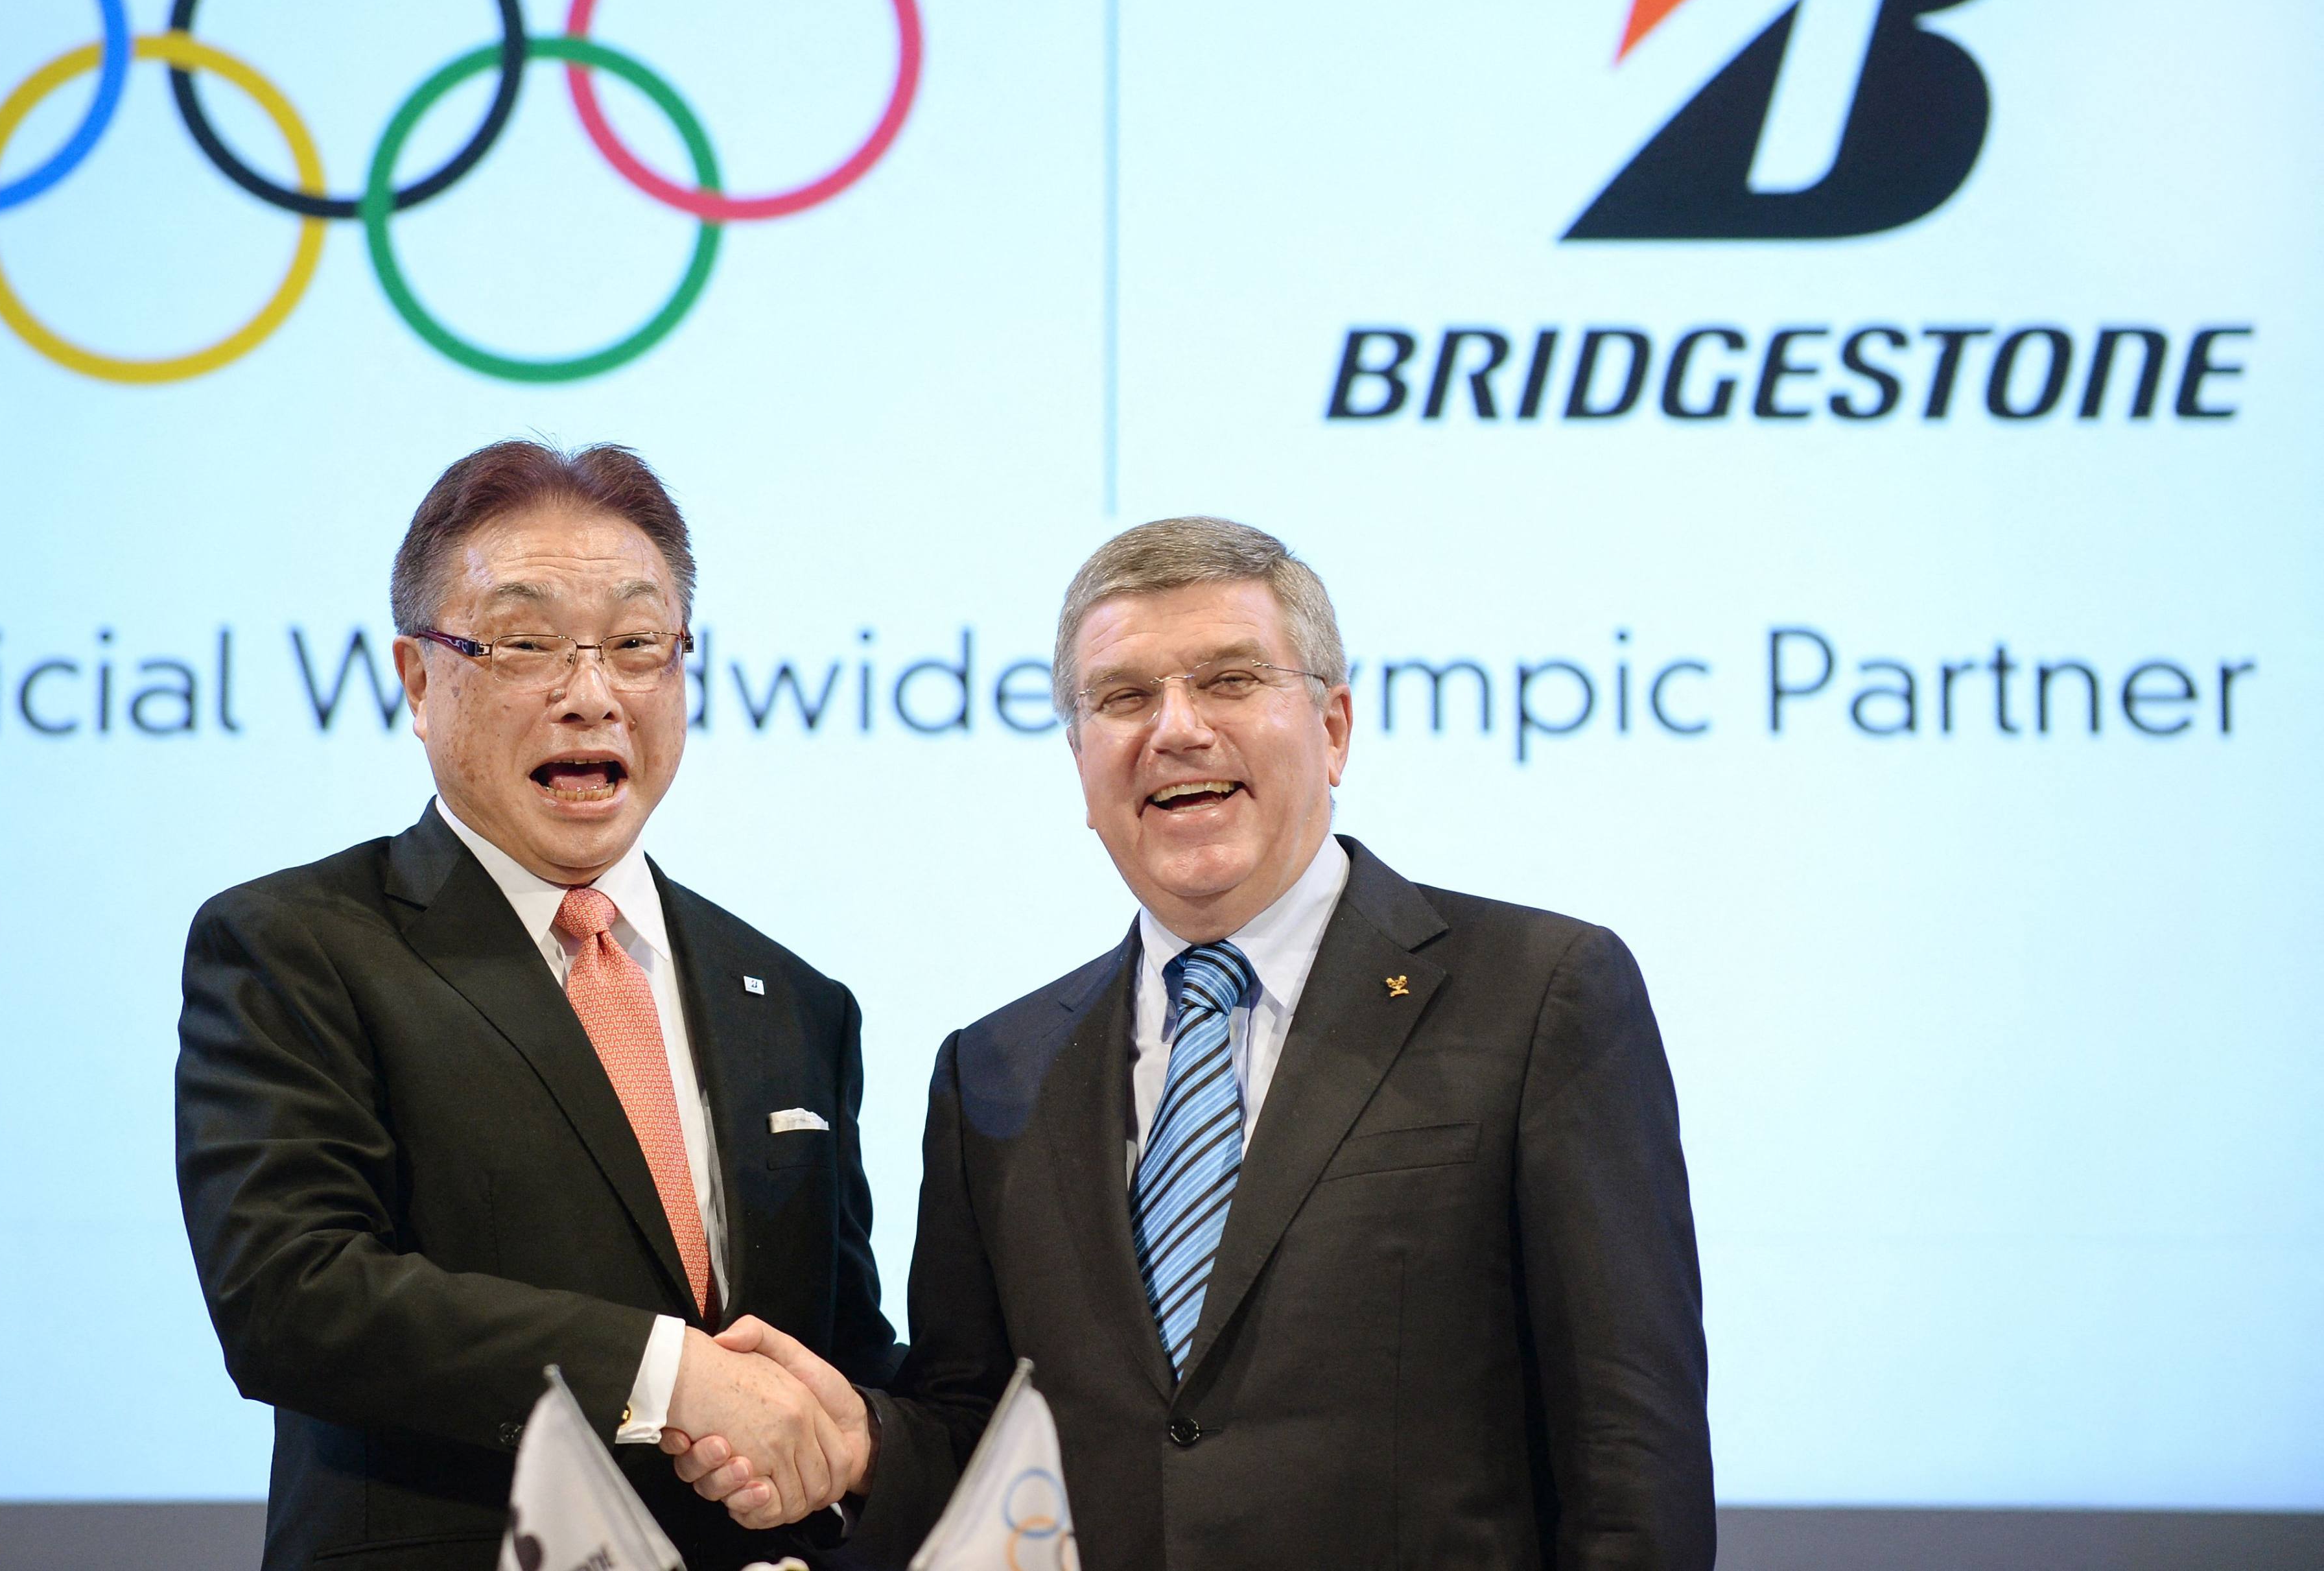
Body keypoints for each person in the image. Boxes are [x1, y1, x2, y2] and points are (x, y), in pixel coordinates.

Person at [673, 515, 1714, 1568]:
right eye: (1124, 698)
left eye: (1228, 679)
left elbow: (1632, 1462)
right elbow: (980, 1445)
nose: (1176, 728)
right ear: (1080, 761)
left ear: (1335, 727)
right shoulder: (993, 1071)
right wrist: (867, 1444)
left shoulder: (1539, 995)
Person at [176, 440, 895, 1571]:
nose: (592, 694)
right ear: (419, 681)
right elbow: (295, 1298)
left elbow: (839, 1351)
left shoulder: (795, 998)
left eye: (637, 644)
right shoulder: (298, 944)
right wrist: (667, 1376)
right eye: (524, 644)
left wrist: (860, 1443)